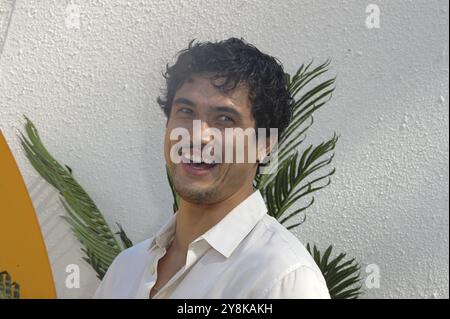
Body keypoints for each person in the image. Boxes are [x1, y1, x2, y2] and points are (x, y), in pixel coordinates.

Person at [94, 38, 330, 299]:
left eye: (225, 119)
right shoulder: (127, 269)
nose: (198, 135)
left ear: (265, 145)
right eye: (186, 110)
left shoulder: (282, 279)